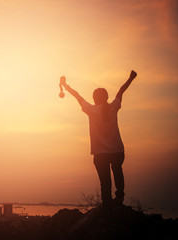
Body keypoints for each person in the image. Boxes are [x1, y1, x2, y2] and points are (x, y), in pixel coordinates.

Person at [59, 70, 137, 216]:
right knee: (118, 173)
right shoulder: (113, 107)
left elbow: (77, 96)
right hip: (117, 151)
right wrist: (131, 78)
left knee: (105, 183)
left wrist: (65, 85)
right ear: (106, 97)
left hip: (100, 154)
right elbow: (121, 90)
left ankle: (107, 209)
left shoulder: (91, 109)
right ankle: (119, 198)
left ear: (95, 99)